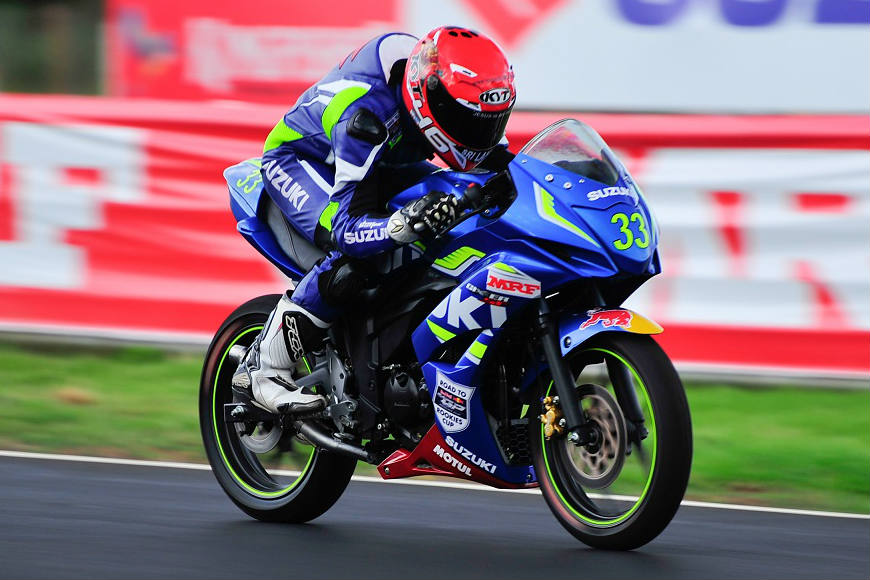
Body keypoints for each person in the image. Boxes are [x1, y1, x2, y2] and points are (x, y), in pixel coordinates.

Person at [233, 26, 517, 415]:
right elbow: (348, 228)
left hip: (378, 163)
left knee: (458, 210)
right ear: (429, 98)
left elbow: (504, 167)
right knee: (353, 260)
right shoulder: (366, 115)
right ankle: (265, 368)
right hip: (304, 162)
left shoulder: (446, 92)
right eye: (467, 121)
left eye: (489, 122)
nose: (480, 135)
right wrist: (399, 224)